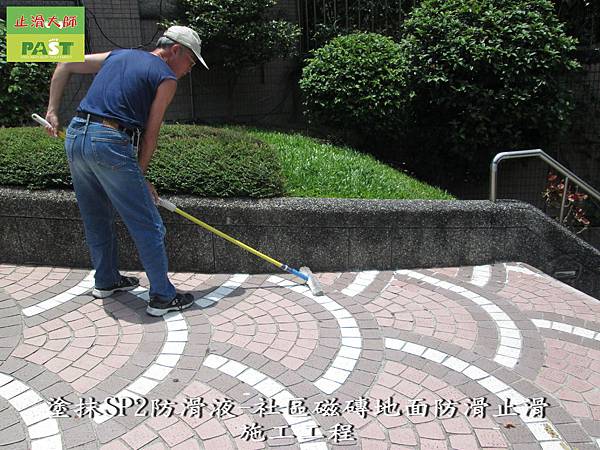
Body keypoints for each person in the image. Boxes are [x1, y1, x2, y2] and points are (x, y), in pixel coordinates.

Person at [44, 26, 209, 316]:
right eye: (191, 61)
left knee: (96, 216)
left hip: (77, 135)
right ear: (175, 50)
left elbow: (66, 62)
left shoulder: (119, 55)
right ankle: (162, 296)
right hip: (108, 141)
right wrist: (140, 177)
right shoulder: (166, 77)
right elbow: (151, 134)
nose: (190, 69)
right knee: (149, 224)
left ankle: (106, 280)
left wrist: (52, 111)